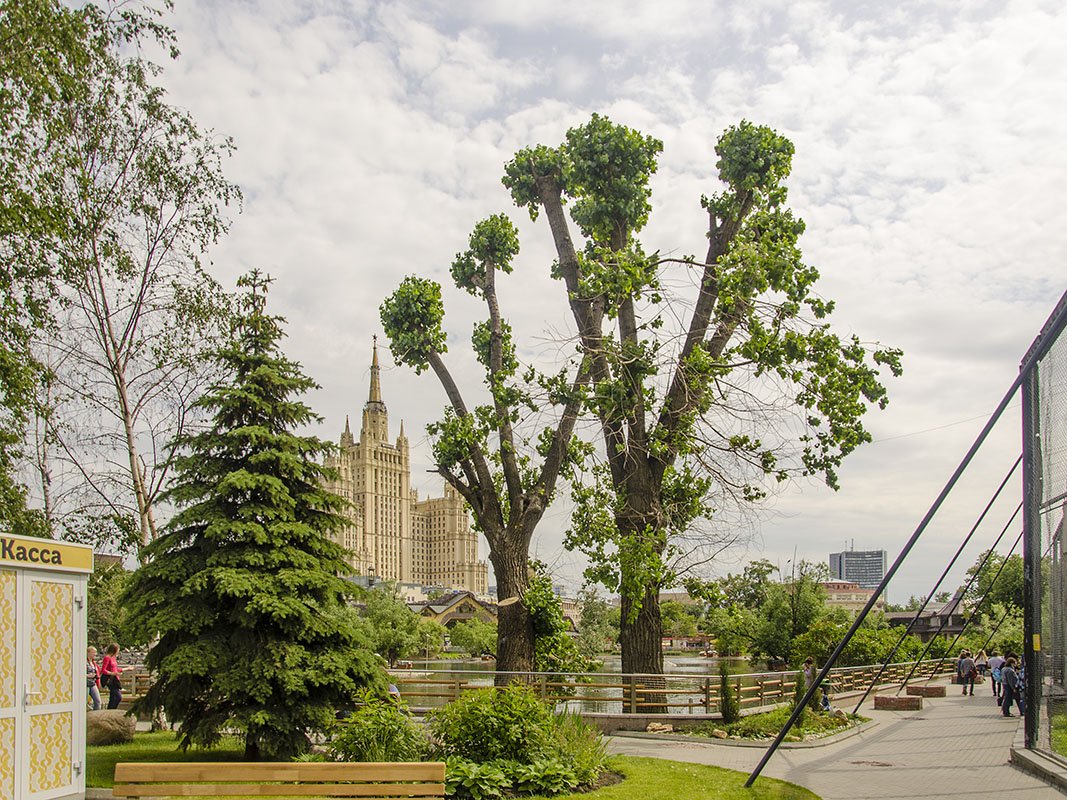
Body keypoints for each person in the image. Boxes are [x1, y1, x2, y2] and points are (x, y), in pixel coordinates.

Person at [100, 643, 123, 710]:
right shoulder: (107, 657)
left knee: (113, 697)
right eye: (118, 650)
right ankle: (111, 710)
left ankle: (110, 711)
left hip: (115, 678)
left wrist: (126, 669)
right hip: (110, 679)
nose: (118, 651)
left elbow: (115, 669)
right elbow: (103, 670)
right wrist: (113, 673)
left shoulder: (114, 658)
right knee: (118, 697)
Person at [86, 646, 101, 711]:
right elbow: (79, 674)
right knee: (84, 702)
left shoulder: (94, 663)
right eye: (93, 652)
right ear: (88, 653)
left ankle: (96, 715)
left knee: (98, 701)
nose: (95, 654)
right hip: (85, 684)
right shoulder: (84, 662)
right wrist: (87, 675)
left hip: (93, 683)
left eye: (95, 652)